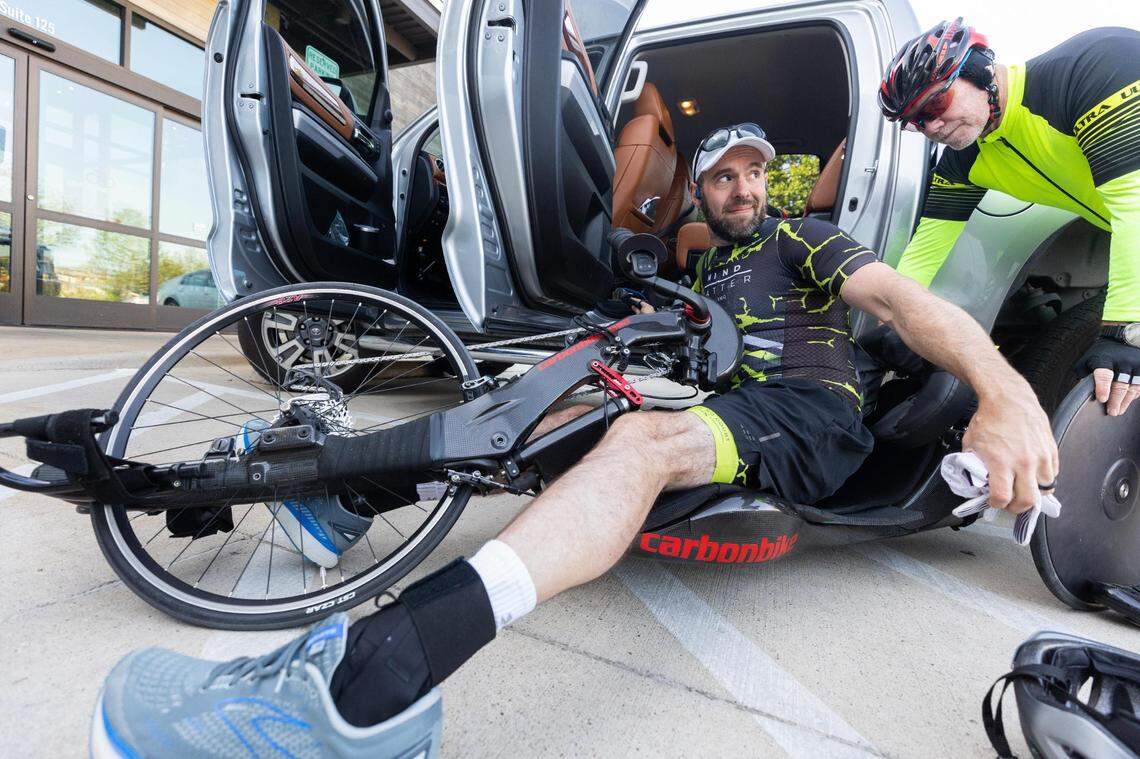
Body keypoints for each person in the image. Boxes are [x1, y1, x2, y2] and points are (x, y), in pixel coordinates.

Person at [90, 124, 1058, 757]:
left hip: (812, 413)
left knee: (642, 441)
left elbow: (901, 301)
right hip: (735, 403)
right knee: (549, 409)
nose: (742, 187)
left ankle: (367, 688)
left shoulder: (803, 240)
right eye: (722, 174)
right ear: (700, 192)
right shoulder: (704, 268)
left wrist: (1004, 393)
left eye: (756, 171)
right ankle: (342, 498)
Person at [879, 19, 1140, 416]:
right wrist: (899, 321)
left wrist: (1125, 330)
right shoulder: (966, 156)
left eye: (935, 104)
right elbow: (926, 249)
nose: (930, 126)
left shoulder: (1090, 68)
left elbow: (1134, 204)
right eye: (915, 122)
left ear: (980, 70)